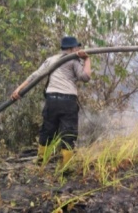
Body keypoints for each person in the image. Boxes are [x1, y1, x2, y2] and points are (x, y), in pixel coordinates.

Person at [11, 36, 91, 170]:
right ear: (72, 48)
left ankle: (41, 161)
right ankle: (65, 166)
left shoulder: (50, 60)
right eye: (77, 47)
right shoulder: (73, 59)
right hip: (68, 101)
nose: (78, 49)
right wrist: (87, 60)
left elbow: (35, 75)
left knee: (47, 129)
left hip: (52, 99)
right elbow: (85, 77)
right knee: (68, 132)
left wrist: (19, 89)